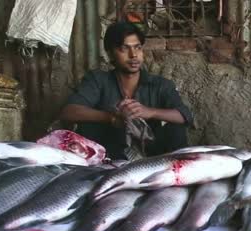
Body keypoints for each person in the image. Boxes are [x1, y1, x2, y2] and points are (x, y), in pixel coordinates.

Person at [59, 22, 193, 160]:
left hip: (153, 156)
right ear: (110, 53)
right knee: (88, 125)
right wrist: (112, 118)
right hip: (111, 155)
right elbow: (69, 111)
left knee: (176, 129)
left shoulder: (160, 84)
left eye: (138, 48)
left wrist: (150, 112)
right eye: (124, 48)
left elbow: (184, 115)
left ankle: (175, 174)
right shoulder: (98, 80)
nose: (133, 55)